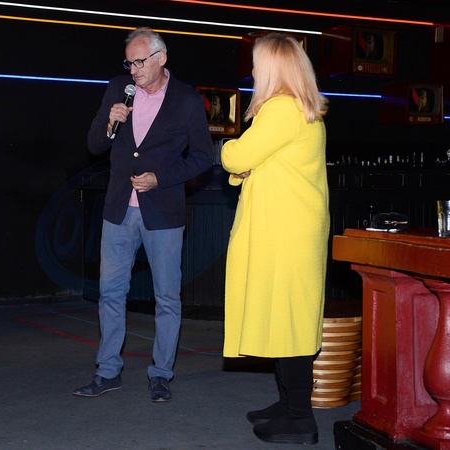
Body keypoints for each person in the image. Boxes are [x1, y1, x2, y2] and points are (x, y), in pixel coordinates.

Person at [73, 27, 213, 402]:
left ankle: (161, 374)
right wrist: (109, 124)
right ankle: (107, 371)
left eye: (139, 62)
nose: (133, 70)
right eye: (129, 63)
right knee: (110, 294)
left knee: (166, 298)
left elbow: (203, 157)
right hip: (118, 209)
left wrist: (161, 178)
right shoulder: (117, 88)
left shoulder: (187, 99)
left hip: (163, 212)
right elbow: (93, 145)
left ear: (161, 58)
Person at [221, 33, 329, 444]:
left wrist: (231, 152)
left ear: (274, 69)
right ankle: (288, 405)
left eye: (257, 64)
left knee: (290, 324)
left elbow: (236, 156)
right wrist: (244, 165)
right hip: (291, 231)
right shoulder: (299, 109)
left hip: (285, 234)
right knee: (286, 320)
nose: (252, 71)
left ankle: (301, 418)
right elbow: (256, 164)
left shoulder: (282, 109)